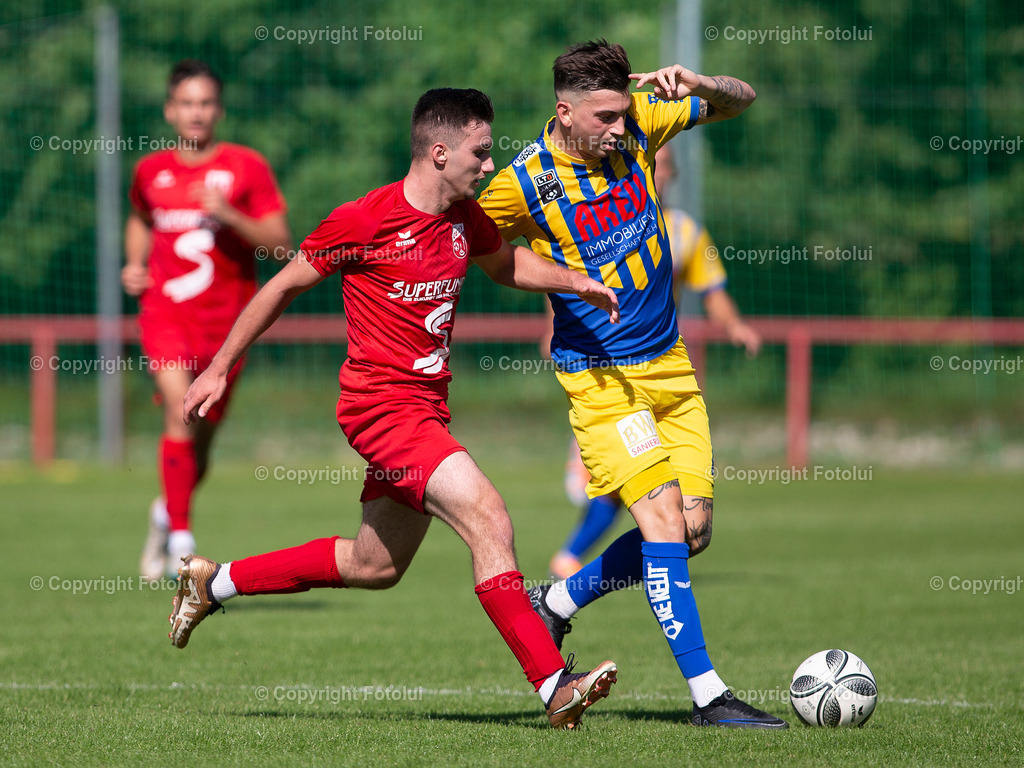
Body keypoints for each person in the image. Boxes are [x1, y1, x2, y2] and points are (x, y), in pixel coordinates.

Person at [168, 88, 621, 730]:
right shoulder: (363, 219)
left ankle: (213, 583)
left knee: (373, 565)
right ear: (439, 152)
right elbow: (283, 284)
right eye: (480, 152)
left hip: (425, 412)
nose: (489, 166)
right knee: (489, 517)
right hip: (381, 411)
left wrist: (574, 280)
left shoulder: (465, 218)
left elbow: (506, 262)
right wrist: (218, 367)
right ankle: (554, 684)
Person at [480, 40, 787, 728]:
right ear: (564, 112)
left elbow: (743, 100)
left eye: (624, 113)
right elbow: (488, 257)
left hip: (671, 367)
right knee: (659, 523)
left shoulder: (645, 118)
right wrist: (565, 280)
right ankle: (711, 697)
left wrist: (702, 81)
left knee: (692, 530)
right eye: (605, 117)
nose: (620, 128)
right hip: (601, 380)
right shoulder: (523, 183)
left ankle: (554, 605)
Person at [547, 142, 762, 580]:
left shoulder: (684, 233)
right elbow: (564, 275)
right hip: (606, 372)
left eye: (663, 168)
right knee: (632, 485)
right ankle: (571, 564)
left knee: (681, 518)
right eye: (652, 165)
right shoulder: (599, 221)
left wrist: (735, 325)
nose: (656, 174)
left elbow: (712, 291)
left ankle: (571, 567)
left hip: (663, 368)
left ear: (673, 175)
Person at [124, 59, 292, 581]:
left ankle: (164, 513)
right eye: (186, 103)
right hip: (166, 316)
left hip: (227, 329)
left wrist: (229, 214)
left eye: (205, 103)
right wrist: (134, 263)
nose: (196, 113)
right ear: (170, 110)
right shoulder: (150, 170)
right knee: (181, 413)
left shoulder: (246, 168)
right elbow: (139, 217)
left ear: (218, 110)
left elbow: (283, 246)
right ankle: (182, 539)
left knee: (200, 441)